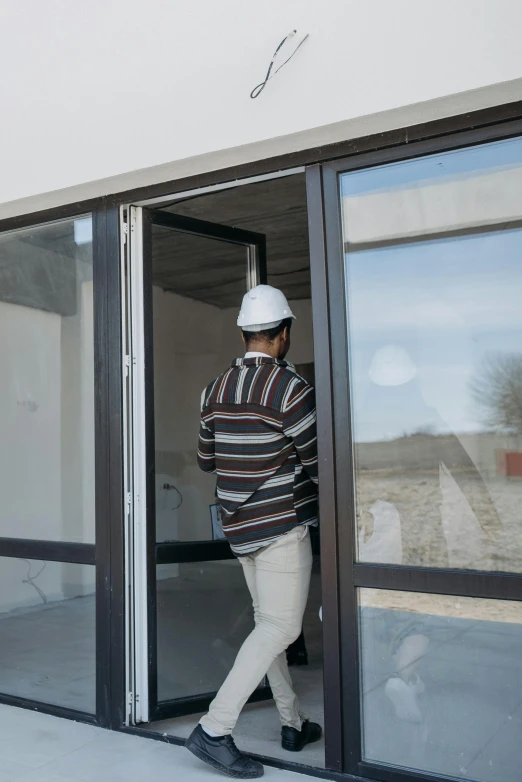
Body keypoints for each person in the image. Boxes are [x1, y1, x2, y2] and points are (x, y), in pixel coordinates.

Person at [186, 285, 322, 779]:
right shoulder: (291, 389)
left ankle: (292, 722)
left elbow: (206, 461)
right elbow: (317, 462)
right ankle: (215, 729)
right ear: (283, 334)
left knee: (269, 625)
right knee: (281, 628)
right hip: (283, 525)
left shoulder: (215, 389)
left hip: (240, 530)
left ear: (244, 332)